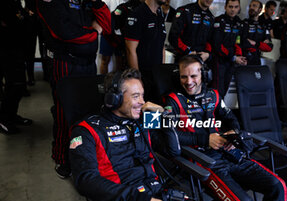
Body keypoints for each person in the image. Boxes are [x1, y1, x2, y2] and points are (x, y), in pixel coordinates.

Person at [69, 68, 242, 201]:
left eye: (142, 95)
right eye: (136, 96)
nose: (142, 102)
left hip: (157, 194)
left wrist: (164, 117)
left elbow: (172, 150)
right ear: (114, 99)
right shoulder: (86, 130)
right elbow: (85, 180)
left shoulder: (142, 118)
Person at [166, 55, 287, 201]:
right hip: (204, 161)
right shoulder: (172, 101)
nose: (189, 81)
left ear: (204, 75)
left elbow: (230, 118)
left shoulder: (213, 94)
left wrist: (233, 133)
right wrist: (205, 140)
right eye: (184, 76)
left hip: (229, 152)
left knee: (278, 187)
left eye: (193, 76)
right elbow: (167, 139)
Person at [37, 0, 111, 178]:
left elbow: (107, 26)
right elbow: (65, 32)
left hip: (88, 64)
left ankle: (85, 153)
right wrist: (94, 32)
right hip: (65, 63)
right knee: (64, 113)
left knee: (91, 111)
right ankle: (62, 157)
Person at [0, 0, 33, 135]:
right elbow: (11, 22)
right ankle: (3, 119)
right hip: (6, 49)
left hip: (17, 48)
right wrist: (21, 18)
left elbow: (20, 19)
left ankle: (12, 116)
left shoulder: (15, 2)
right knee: (13, 84)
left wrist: (22, 17)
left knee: (18, 85)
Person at [124, 0, 166, 103]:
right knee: (142, 113)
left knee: (155, 112)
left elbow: (162, 46)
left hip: (156, 77)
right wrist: (137, 79)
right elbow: (130, 50)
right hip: (142, 76)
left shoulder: (160, 14)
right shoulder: (138, 14)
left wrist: (162, 71)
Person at [211, 0, 247, 97]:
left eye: (236, 7)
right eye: (230, 7)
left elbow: (238, 41)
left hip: (231, 61)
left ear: (239, 8)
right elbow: (217, 45)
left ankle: (220, 110)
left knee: (225, 89)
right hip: (219, 60)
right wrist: (234, 57)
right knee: (217, 90)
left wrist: (239, 56)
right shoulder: (218, 21)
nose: (233, 10)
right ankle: (213, 111)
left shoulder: (239, 23)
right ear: (225, 7)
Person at [241, 0, 273, 65]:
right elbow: (242, 42)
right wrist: (261, 44)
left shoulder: (263, 26)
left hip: (256, 59)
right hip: (243, 59)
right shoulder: (243, 23)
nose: (251, 8)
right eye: (250, 6)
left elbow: (269, 47)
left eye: (254, 6)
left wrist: (255, 43)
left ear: (260, 10)